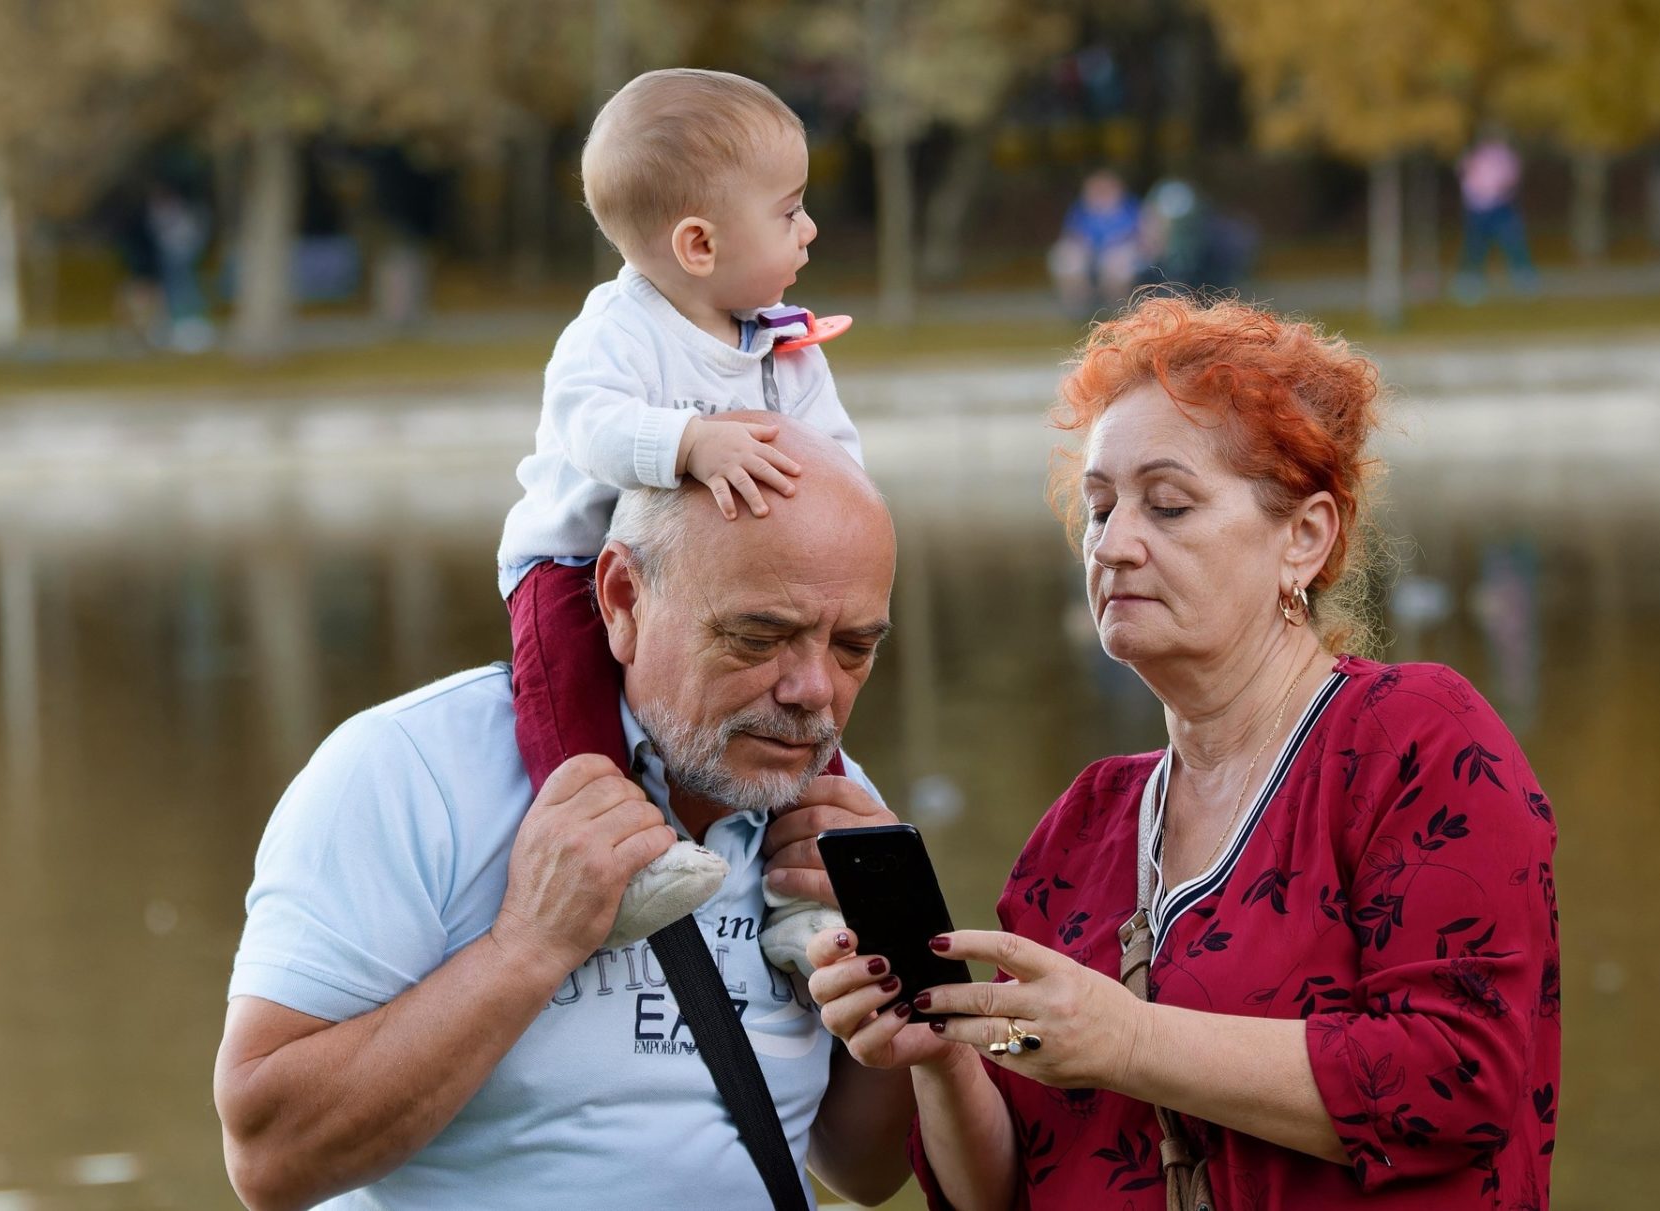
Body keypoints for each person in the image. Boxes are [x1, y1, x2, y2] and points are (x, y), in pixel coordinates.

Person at [809, 298, 1561, 1210]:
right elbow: (1002, 1190)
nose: (1114, 545)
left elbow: (1458, 1075)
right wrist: (941, 1055)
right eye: (1099, 508)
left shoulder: (1413, 738)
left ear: (1304, 537)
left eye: (1167, 505)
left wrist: (1129, 1041)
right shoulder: (1084, 825)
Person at [215, 416, 918, 1210]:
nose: (813, 691)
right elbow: (271, 1159)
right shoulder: (407, 770)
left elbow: (865, 1170)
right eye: (760, 636)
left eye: (854, 647)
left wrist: (896, 958)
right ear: (623, 599)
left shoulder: (835, 803)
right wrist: (528, 944)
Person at [497, 68, 862, 975]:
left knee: (806, 718)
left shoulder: (782, 346)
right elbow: (588, 424)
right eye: (790, 212)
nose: (810, 229)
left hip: (732, 590)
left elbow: (837, 461)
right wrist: (692, 442)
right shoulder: (618, 331)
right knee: (569, 711)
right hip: (576, 565)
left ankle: (804, 897)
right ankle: (617, 869)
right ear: (699, 244)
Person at [1453, 133, 1538, 303]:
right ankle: (1469, 282)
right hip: (1477, 208)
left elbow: (1512, 178)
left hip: (1501, 207)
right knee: (1475, 247)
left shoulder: (1505, 157)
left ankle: (1524, 280)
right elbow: (1464, 174)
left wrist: (1499, 189)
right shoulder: (1473, 155)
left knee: (1513, 243)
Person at [1047, 168, 1144, 315]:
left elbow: (1141, 235)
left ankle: (1119, 311)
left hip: (1119, 252)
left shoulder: (1130, 206)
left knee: (1117, 263)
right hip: (1087, 251)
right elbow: (1071, 234)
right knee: (1067, 259)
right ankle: (1077, 309)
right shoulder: (1081, 208)